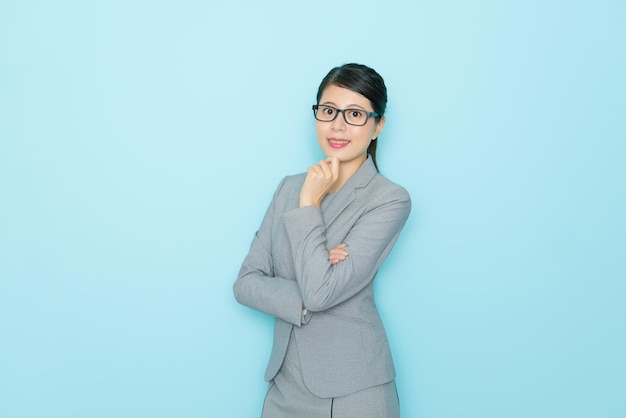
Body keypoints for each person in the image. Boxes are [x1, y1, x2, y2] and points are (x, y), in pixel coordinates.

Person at [233, 63, 411, 417]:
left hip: (354, 390)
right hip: (285, 386)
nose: (338, 125)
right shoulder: (288, 188)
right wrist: (310, 284)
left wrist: (309, 206)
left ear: (378, 126)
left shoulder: (389, 199)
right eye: (329, 111)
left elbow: (321, 293)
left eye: (356, 114)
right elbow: (245, 284)